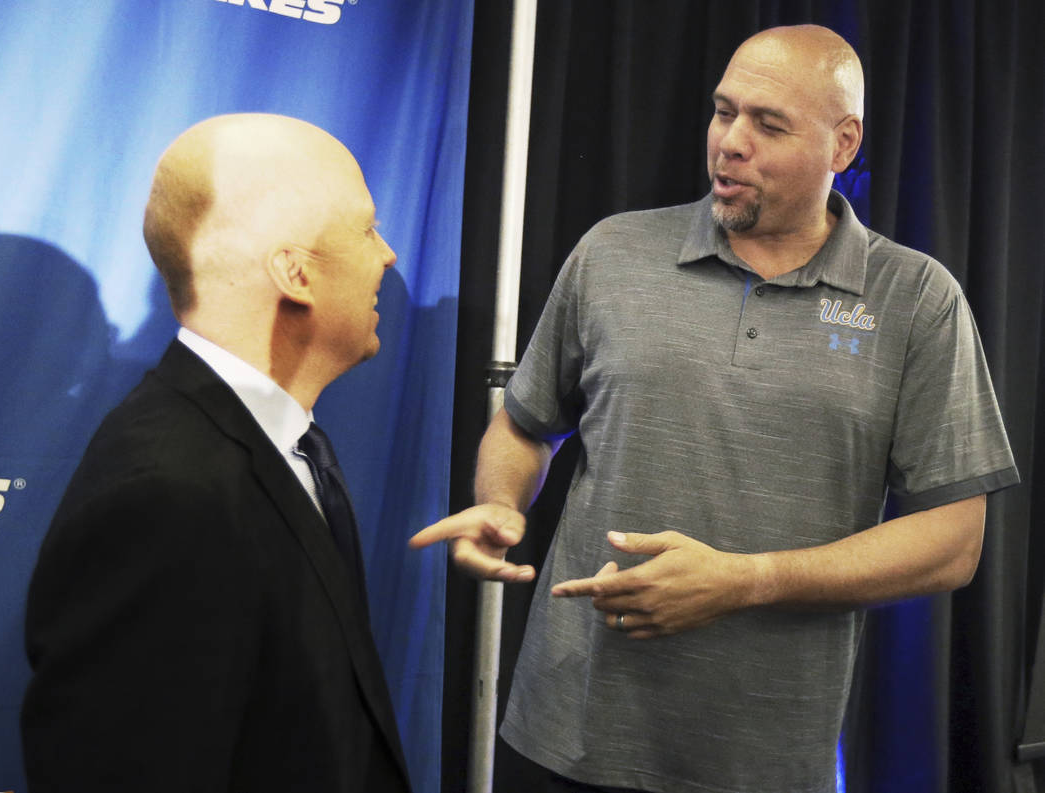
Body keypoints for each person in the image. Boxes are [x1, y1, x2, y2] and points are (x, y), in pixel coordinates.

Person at [410, 24, 1019, 793]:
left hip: (764, 761)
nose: (730, 142)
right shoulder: (613, 253)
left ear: (844, 143)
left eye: (768, 124)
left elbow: (953, 542)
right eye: (723, 112)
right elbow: (527, 423)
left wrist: (748, 579)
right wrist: (500, 502)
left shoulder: (916, 300)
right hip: (565, 737)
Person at [21, 113, 410, 792]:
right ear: (295, 272)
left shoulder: (284, 445)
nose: (387, 255)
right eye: (367, 228)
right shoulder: (170, 492)